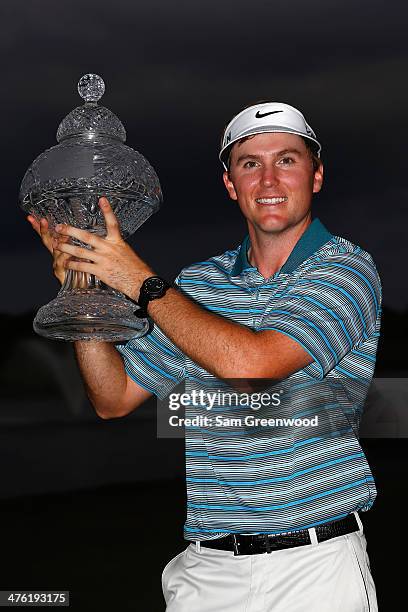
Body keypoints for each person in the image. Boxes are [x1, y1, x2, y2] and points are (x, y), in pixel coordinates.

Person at [28, 101, 381, 611]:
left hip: (315, 567)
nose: (268, 179)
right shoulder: (197, 285)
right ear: (230, 185)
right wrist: (87, 297)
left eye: (287, 160)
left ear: (316, 175)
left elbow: (252, 366)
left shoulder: (346, 269)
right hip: (207, 572)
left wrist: (139, 281)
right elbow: (113, 397)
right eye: (249, 164)